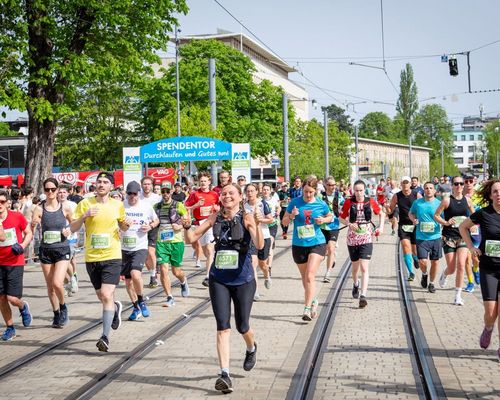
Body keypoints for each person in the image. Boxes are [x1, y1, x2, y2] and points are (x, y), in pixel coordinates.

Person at [183, 183, 264, 394]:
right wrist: (186, 226)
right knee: (222, 326)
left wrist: (255, 224)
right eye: (224, 193)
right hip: (219, 278)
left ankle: (251, 347)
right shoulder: (215, 217)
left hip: (243, 279)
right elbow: (191, 238)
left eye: (231, 193)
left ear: (239, 197)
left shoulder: (246, 217)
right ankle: (225, 374)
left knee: (242, 326)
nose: (227, 196)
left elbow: (260, 245)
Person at [71, 171, 132, 351]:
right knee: (102, 296)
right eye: (99, 182)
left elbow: (123, 225)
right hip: (92, 257)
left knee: (106, 294)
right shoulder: (85, 204)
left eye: (105, 182)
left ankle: (104, 337)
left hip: (112, 255)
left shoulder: (117, 205)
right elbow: (73, 227)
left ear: (111, 186)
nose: (101, 185)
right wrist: (84, 216)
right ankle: (115, 308)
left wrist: (126, 224)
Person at [459, 179, 500, 361]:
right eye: (495, 192)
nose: (499, 195)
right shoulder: (484, 214)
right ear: (490, 195)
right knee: (491, 312)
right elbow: (463, 227)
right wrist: (471, 248)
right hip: (489, 269)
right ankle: (488, 328)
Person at [282, 176, 333, 320]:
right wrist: (291, 216)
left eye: (311, 192)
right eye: (306, 192)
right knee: (305, 278)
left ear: (315, 191)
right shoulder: (294, 202)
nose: (308, 195)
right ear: (302, 190)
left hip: (317, 242)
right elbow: (284, 221)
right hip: (299, 245)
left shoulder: (320, 204)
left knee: (310, 275)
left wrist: (323, 220)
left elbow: (330, 217)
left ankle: (307, 308)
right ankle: (313, 300)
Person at [31, 178, 73, 328]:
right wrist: (33, 224)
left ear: (57, 190)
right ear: (44, 190)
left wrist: (69, 230)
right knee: (50, 286)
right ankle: (56, 314)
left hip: (62, 249)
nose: (50, 192)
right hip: (46, 251)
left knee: (57, 283)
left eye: (53, 189)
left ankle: (63, 307)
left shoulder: (65, 207)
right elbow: (33, 225)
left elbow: (74, 224)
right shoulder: (39, 208)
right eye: (47, 189)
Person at [339, 180, 385, 308]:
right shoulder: (349, 202)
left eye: (361, 190)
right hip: (353, 238)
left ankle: (363, 295)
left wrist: (381, 227)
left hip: (366, 237)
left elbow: (381, 213)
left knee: (364, 267)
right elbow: (341, 218)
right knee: (355, 268)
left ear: (365, 190)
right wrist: (349, 224)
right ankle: (355, 284)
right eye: (356, 190)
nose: (358, 193)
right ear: (353, 190)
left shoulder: (370, 201)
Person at [434, 175, 476, 305]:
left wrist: (473, 224)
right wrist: (446, 222)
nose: (459, 186)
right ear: (452, 185)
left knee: (461, 265)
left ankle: (458, 296)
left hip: (463, 237)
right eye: (456, 184)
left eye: (461, 184)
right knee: (452, 267)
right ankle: (445, 274)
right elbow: (436, 215)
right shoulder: (446, 200)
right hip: (449, 237)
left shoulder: (467, 200)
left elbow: (474, 215)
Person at [121, 181, 158, 320]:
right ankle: (135, 306)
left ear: (139, 193)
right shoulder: (121, 206)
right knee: (128, 282)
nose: (132, 197)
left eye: (134, 194)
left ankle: (141, 300)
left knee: (136, 275)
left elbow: (156, 220)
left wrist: (150, 226)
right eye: (129, 193)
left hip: (140, 246)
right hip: (123, 248)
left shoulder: (145, 206)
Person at [0, 190, 33, 341]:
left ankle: (22, 306)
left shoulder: (16, 216)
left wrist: (22, 245)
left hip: (15, 262)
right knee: (1, 298)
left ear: (7, 203)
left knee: (12, 298)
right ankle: (10, 328)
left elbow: (29, 233)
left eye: (1, 202)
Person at [155, 187, 190, 307]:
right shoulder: (156, 207)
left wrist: (180, 226)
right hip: (161, 243)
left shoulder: (178, 205)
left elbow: (187, 222)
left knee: (176, 271)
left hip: (176, 242)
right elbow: (153, 221)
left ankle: (183, 281)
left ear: (171, 192)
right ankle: (169, 297)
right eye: (163, 192)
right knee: (163, 270)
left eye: (167, 191)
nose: (165, 194)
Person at [185, 172, 219, 287]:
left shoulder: (215, 194)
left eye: (205, 181)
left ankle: (208, 277)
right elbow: (185, 207)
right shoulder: (195, 194)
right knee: (204, 251)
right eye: (201, 181)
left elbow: (220, 206)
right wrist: (196, 205)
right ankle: (212, 267)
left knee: (210, 250)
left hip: (210, 222)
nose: (203, 183)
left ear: (209, 182)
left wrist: (217, 208)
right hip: (199, 224)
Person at [409, 182, 442, 293]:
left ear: (434, 191)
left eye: (430, 188)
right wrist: (413, 219)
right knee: (423, 261)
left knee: (435, 262)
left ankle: (432, 283)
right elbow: (411, 213)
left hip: (436, 236)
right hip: (421, 237)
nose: (428, 190)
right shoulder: (417, 203)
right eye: (426, 188)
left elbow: (443, 218)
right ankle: (424, 274)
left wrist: (443, 224)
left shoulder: (439, 203)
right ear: (424, 190)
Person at [387, 176, 420, 281]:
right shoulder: (397, 196)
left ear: (410, 184)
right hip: (403, 225)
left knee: (415, 250)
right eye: (403, 183)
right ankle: (411, 273)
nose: (405, 184)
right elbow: (391, 210)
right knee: (406, 247)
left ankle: (415, 259)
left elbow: (423, 207)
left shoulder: (416, 195)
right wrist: (386, 209)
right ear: (401, 184)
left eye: (407, 182)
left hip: (415, 225)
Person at [244, 183, 273, 300]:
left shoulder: (262, 204)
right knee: (253, 264)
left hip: (264, 236)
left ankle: (267, 276)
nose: (250, 193)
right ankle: (255, 291)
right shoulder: (243, 205)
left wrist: (261, 220)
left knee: (263, 264)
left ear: (257, 192)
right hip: (251, 238)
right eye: (248, 191)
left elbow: (271, 219)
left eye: (252, 191)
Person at [319, 177, 344, 283]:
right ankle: (332, 255)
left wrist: (342, 211)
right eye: (330, 185)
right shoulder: (320, 196)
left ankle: (328, 273)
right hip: (322, 226)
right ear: (325, 186)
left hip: (334, 226)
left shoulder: (339, 196)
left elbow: (344, 208)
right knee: (325, 251)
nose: (333, 187)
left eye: (334, 185)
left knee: (331, 247)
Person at [139, 176, 162, 288]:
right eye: (145, 184)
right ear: (141, 185)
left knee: (150, 251)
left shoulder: (157, 198)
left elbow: (160, 214)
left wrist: (153, 224)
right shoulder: (138, 197)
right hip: (140, 228)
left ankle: (153, 276)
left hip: (153, 226)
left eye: (149, 184)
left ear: (152, 186)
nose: (147, 186)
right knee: (145, 255)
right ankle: (153, 272)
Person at [261, 183, 280, 276]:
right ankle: (264, 264)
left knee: (270, 245)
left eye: (267, 190)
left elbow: (278, 207)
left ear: (270, 191)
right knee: (263, 246)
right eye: (264, 189)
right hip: (263, 225)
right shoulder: (259, 201)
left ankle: (269, 267)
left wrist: (278, 212)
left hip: (272, 224)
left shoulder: (273, 199)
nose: (265, 191)